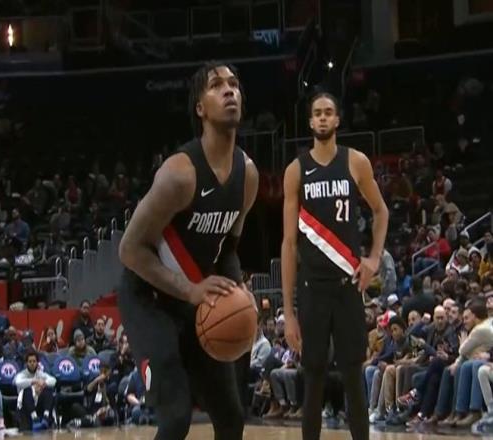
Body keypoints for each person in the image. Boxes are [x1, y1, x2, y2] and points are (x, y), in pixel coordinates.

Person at [117, 62, 259, 440]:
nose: (229, 90)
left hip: (195, 300)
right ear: (200, 109)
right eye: (216, 85)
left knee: (231, 418)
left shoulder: (248, 176)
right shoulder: (179, 174)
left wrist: (238, 290)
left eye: (234, 84)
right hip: (148, 297)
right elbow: (129, 250)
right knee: (176, 416)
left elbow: (228, 250)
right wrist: (189, 290)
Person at [281, 90, 388, 440]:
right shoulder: (296, 170)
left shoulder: (355, 161)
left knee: (353, 375)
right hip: (312, 289)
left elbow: (381, 211)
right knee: (313, 377)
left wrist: (373, 258)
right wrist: (289, 313)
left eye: (329, 112)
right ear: (310, 121)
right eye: (317, 113)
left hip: (347, 287)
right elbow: (288, 243)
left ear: (338, 119)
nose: (323, 117)